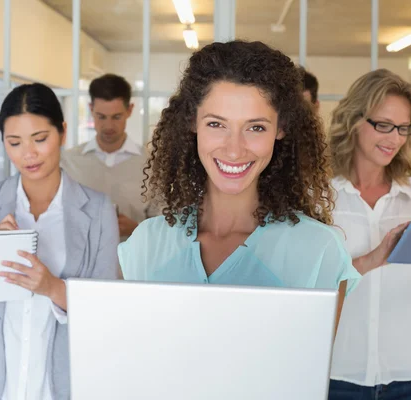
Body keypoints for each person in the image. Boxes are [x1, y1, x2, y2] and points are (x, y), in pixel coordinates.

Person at [118, 40, 360, 319]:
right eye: (216, 124)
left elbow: (314, 362)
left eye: (256, 127)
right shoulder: (147, 243)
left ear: (280, 129)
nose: (234, 149)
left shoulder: (319, 250)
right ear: (191, 123)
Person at [0, 83, 119, 399]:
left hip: (63, 383)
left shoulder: (97, 209)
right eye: (14, 143)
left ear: (62, 132)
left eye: (40, 139)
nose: (28, 154)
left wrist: (52, 287)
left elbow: (105, 310)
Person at [328, 69, 411, 399]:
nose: (394, 138)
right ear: (354, 120)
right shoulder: (321, 197)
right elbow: (310, 288)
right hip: (338, 373)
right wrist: (374, 259)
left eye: (403, 128)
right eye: (383, 125)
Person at [61, 73, 157, 240]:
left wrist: (137, 229)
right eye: (101, 117)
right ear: (91, 110)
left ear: (130, 110)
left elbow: (166, 226)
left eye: (116, 117)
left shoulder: (152, 164)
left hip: (134, 263)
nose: (108, 126)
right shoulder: (68, 162)